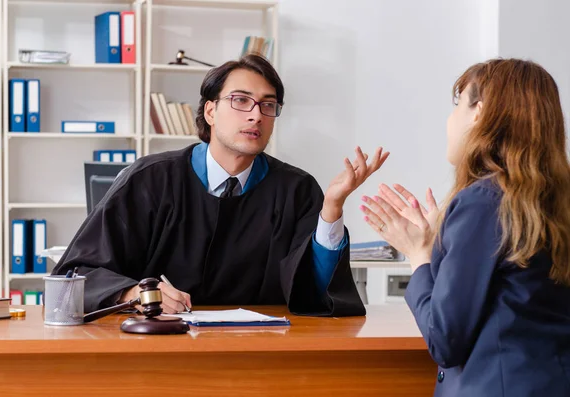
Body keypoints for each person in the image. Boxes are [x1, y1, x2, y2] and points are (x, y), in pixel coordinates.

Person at [52, 54, 389, 317]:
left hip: (262, 357)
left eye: (268, 106)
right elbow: (74, 275)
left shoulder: (296, 190)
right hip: (157, 351)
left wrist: (331, 209)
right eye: (241, 100)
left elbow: (316, 292)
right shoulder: (150, 180)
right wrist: (132, 293)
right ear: (210, 111)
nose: (256, 115)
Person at [360, 58, 570, 396]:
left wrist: (419, 256)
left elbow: (445, 341)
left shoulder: (483, 201)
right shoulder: (555, 199)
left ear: (479, 112)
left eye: (457, 105)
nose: (449, 120)